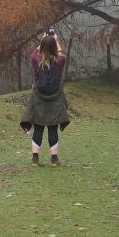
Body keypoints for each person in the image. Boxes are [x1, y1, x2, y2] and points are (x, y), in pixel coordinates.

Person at [19, 28, 70, 165]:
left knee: (39, 127)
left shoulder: (35, 59)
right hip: (55, 98)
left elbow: (36, 53)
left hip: (39, 97)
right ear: (55, 46)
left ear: (41, 46)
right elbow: (59, 53)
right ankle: (54, 160)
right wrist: (55, 40)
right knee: (53, 128)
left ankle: (35, 159)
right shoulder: (61, 60)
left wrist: (43, 40)